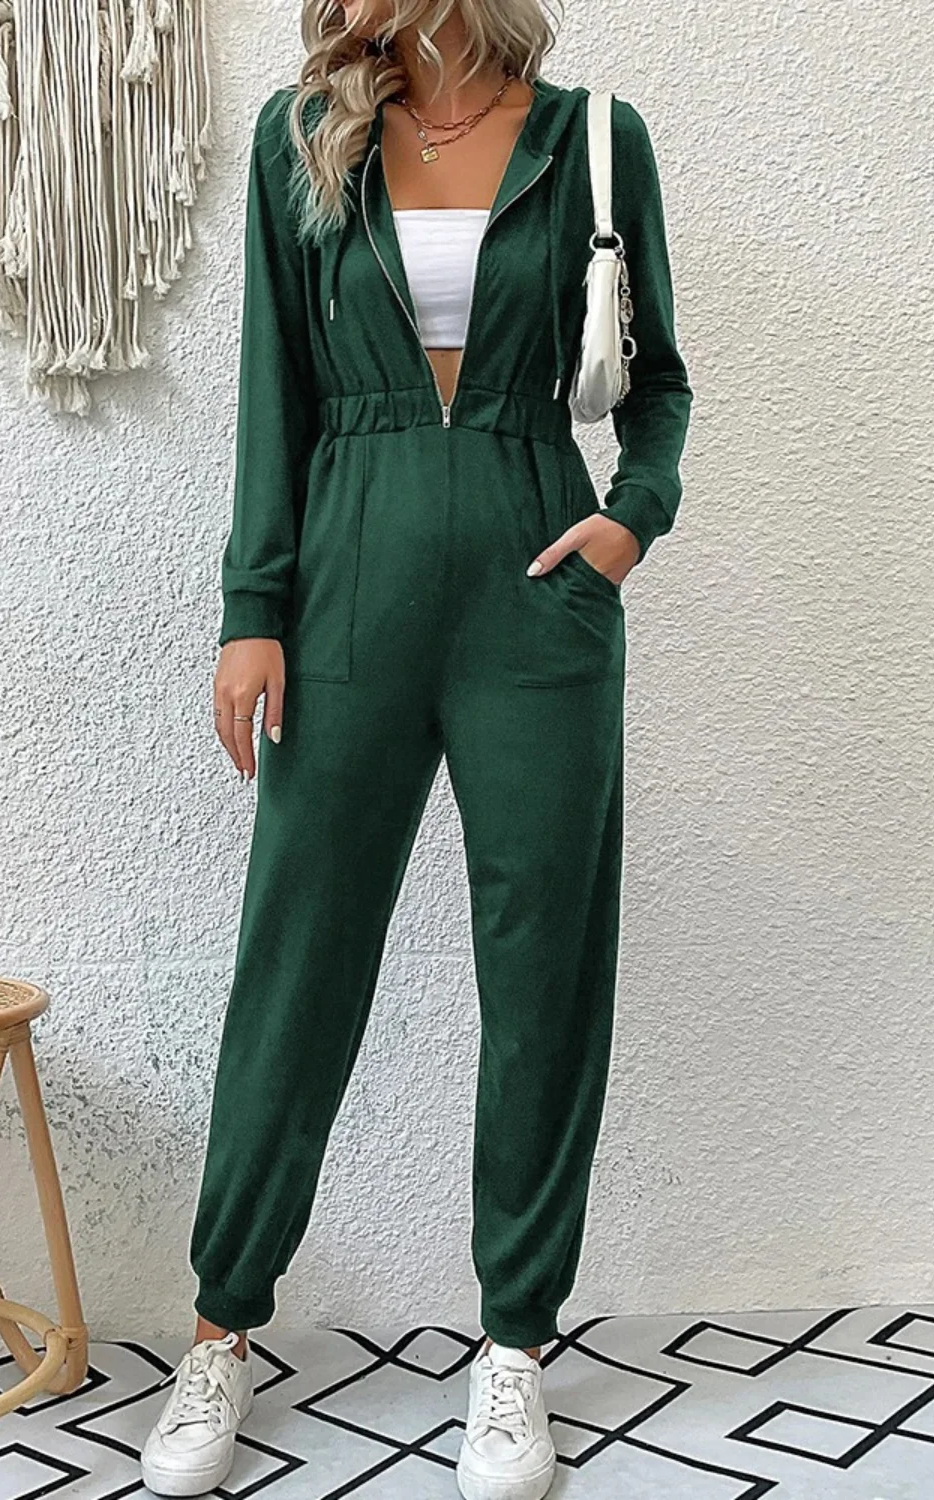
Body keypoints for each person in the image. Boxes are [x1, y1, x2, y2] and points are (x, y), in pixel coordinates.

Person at [142, 2, 691, 1496]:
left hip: (537, 589)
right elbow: (274, 386)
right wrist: (252, 609)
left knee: (544, 968)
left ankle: (514, 1348)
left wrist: (632, 519)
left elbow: (658, 383)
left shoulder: (594, 143)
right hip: (348, 582)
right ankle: (221, 1326)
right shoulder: (304, 139)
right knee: (299, 957)